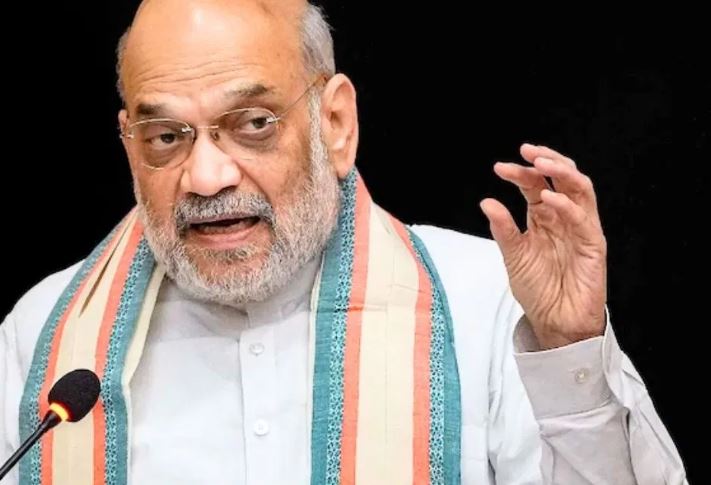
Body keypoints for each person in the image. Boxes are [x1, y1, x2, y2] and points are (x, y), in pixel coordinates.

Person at [0, 1, 688, 484]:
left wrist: (569, 352)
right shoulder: (47, 340)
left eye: (253, 123)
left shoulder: (486, 303)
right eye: (165, 137)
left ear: (335, 122)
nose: (206, 177)